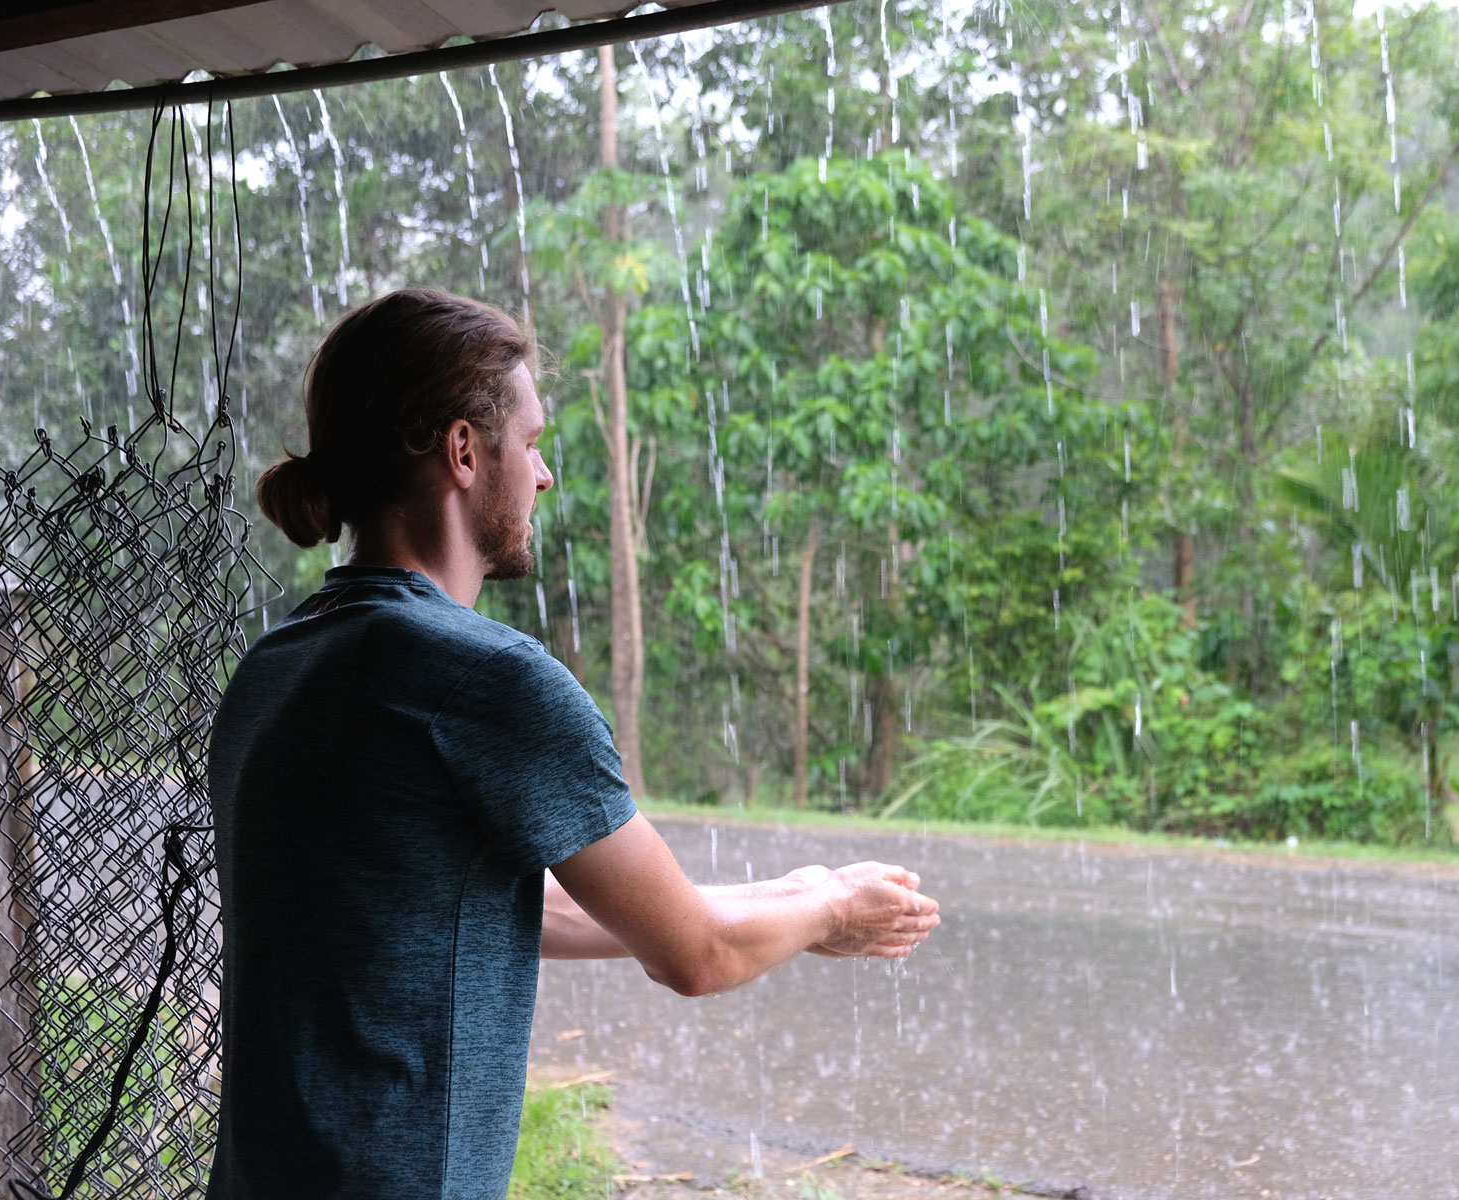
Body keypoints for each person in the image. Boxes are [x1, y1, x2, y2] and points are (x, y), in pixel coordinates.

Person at [206, 288, 939, 1200]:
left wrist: (795, 891)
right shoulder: (486, 681)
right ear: (464, 451)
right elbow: (696, 955)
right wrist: (831, 915)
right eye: (534, 441)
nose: (546, 475)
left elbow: (486, 911)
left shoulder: (280, 668)